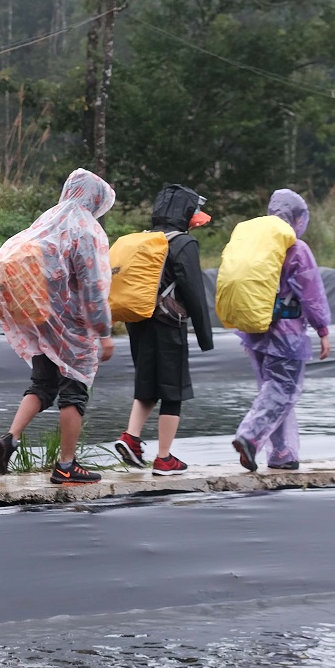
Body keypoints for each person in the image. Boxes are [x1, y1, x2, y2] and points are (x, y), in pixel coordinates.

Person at [0, 168, 116, 485]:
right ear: (95, 198)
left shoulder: (48, 220)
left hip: (42, 318)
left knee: (43, 384)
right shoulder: (86, 230)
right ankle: (66, 465)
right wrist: (104, 332)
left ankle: (10, 438)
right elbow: (92, 287)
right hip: (73, 325)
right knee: (75, 391)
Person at [112, 185, 215, 475]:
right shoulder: (183, 243)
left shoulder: (146, 240)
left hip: (138, 321)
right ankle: (164, 457)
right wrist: (206, 338)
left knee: (147, 382)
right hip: (169, 324)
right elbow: (194, 291)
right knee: (173, 389)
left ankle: (131, 438)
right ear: (184, 212)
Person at [231, 189, 331, 472]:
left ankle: (281, 452)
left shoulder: (254, 244)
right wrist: (323, 328)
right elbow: (311, 293)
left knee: (270, 389)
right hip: (286, 332)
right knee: (283, 388)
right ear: (297, 218)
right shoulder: (296, 248)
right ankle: (250, 436)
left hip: (254, 329)